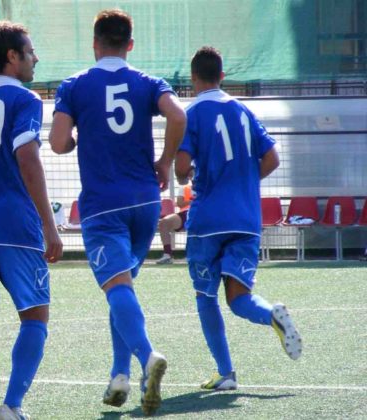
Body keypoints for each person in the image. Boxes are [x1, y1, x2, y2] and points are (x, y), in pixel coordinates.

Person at [48, 8, 187, 416]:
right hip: (145, 202)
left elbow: (56, 142)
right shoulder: (148, 82)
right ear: (130, 44)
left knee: (117, 288)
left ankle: (147, 357)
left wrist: (73, 142)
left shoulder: (75, 85)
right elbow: (178, 115)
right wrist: (166, 161)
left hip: (103, 205)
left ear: (95, 43)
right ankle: (119, 375)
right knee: (121, 288)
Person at [176, 46, 303, 391]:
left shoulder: (192, 113)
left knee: (206, 297)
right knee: (239, 298)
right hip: (246, 217)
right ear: (222, 76)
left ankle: (226, 373)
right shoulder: (244, 111)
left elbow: (182, 168)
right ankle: (271, 314)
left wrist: (184, 173)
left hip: (208, 220)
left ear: (193, 78)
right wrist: (243, 182)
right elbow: (272, 158)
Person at [0, 20, 63, 420]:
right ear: (12, 57)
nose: (35, 58)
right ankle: (12, 404)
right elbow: (27, 158)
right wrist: (49, 224)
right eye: (30, 51)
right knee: (35, 316)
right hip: (16, 224)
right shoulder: (26, 99)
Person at [155, 179, 194, 264]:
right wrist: (195, 199)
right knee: (164, 222)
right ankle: (167, 255)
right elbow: (180, 203)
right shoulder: (186, 188)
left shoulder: (208, 187)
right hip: (185, 213)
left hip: (202, 214)